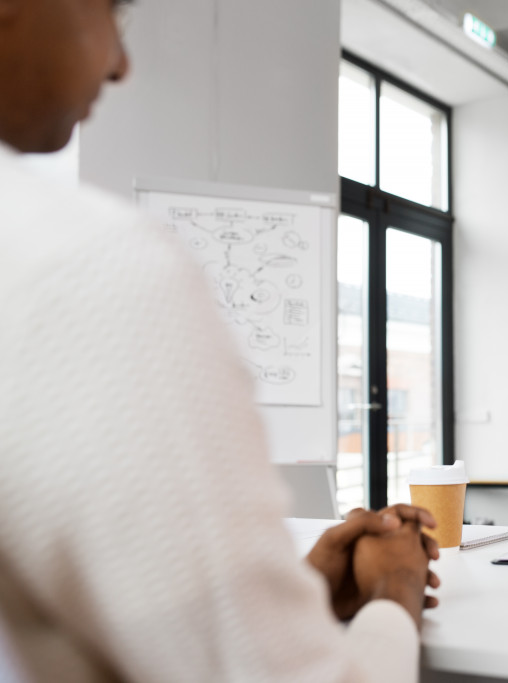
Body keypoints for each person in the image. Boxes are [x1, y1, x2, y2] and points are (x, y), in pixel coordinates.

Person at [0, 1, 438, 681]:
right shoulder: (89, 268)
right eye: (111, 13)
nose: (121, 63)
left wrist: (287, 594)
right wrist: (395, 593)